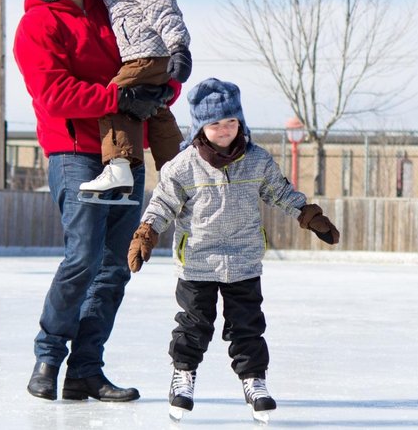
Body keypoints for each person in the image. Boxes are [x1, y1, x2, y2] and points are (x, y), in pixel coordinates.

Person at [13, 0, 175, 402]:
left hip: (125, 149)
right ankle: (48, 356)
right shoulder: (37, 25)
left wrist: (158, 91)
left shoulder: (112, 2)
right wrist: (118, 95)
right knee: (82, 256)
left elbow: (150, 53)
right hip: (76, 154)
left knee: (113, 267)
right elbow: (54, 94)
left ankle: (86, 368)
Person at [126, 78, 340, 422]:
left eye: (231, 122)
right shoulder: (182, 166)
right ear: (200, 126)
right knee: (194, 324)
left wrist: (308, 215)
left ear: (240, 122)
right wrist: (146, 232)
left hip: (243, 259)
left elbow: (280, 192)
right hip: (197, 261)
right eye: (215, 123)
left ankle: (254, 380)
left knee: (247, 325)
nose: (224, 130)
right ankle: (183, 376)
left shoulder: (257, 160)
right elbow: (163, 203)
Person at [78, 0, 191, 200]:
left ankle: (119, 166)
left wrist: (179, 47)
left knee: (113, 98)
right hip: (146, 56)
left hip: (148, 55)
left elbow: (167, 14)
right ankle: (178, 169)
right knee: (157, 111)